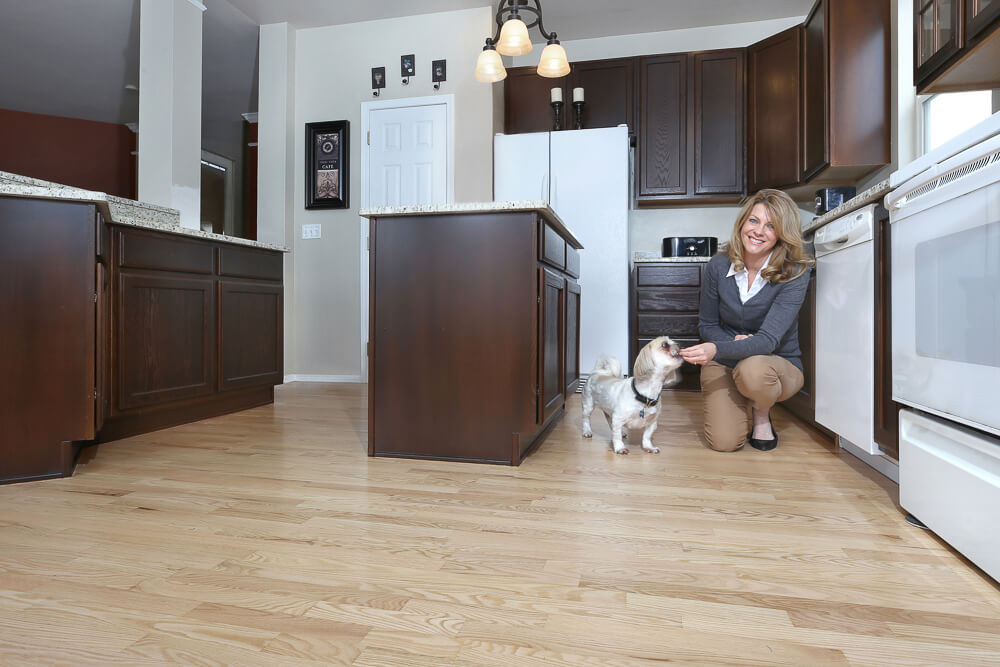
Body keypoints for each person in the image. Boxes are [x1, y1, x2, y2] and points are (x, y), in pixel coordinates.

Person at [679, 189, 814, 452]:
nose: (759, 231)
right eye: (754, 221)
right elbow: (707, 325)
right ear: (742, 223)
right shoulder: (717, 266)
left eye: (771, 226)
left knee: (752, 370)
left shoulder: (795, 272)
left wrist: (718, 347)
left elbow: (768, 340)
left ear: (782, 234)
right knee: (724, 442)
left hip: (776, 366)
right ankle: (742, 401)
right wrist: (731, 346)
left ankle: (761, 412)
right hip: (724, 363)